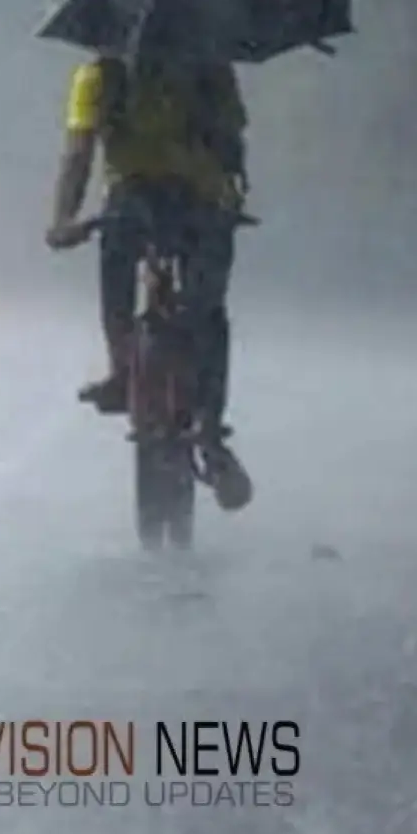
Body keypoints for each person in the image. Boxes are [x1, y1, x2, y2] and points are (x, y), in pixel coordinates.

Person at [45, 50, 254, 511]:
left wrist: (63, 220)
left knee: (119, 267)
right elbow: (233, 141)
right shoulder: (211, 67)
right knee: (208, 307)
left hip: (137, 202)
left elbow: (79, 153)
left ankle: (123, 368)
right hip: (201, 202)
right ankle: (210, 429)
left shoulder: (100, 75)